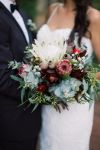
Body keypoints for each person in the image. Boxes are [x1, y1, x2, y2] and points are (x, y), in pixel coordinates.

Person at [37, 0, 100, 150]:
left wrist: (74, 79)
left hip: (73, 106)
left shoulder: (93, 17)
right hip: (48, 103)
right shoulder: (52, 9)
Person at [0, 0, 41, 150]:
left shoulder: (22, 14)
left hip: (30, 122)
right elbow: (2, 78)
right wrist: (44, 89)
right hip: (10, 124)